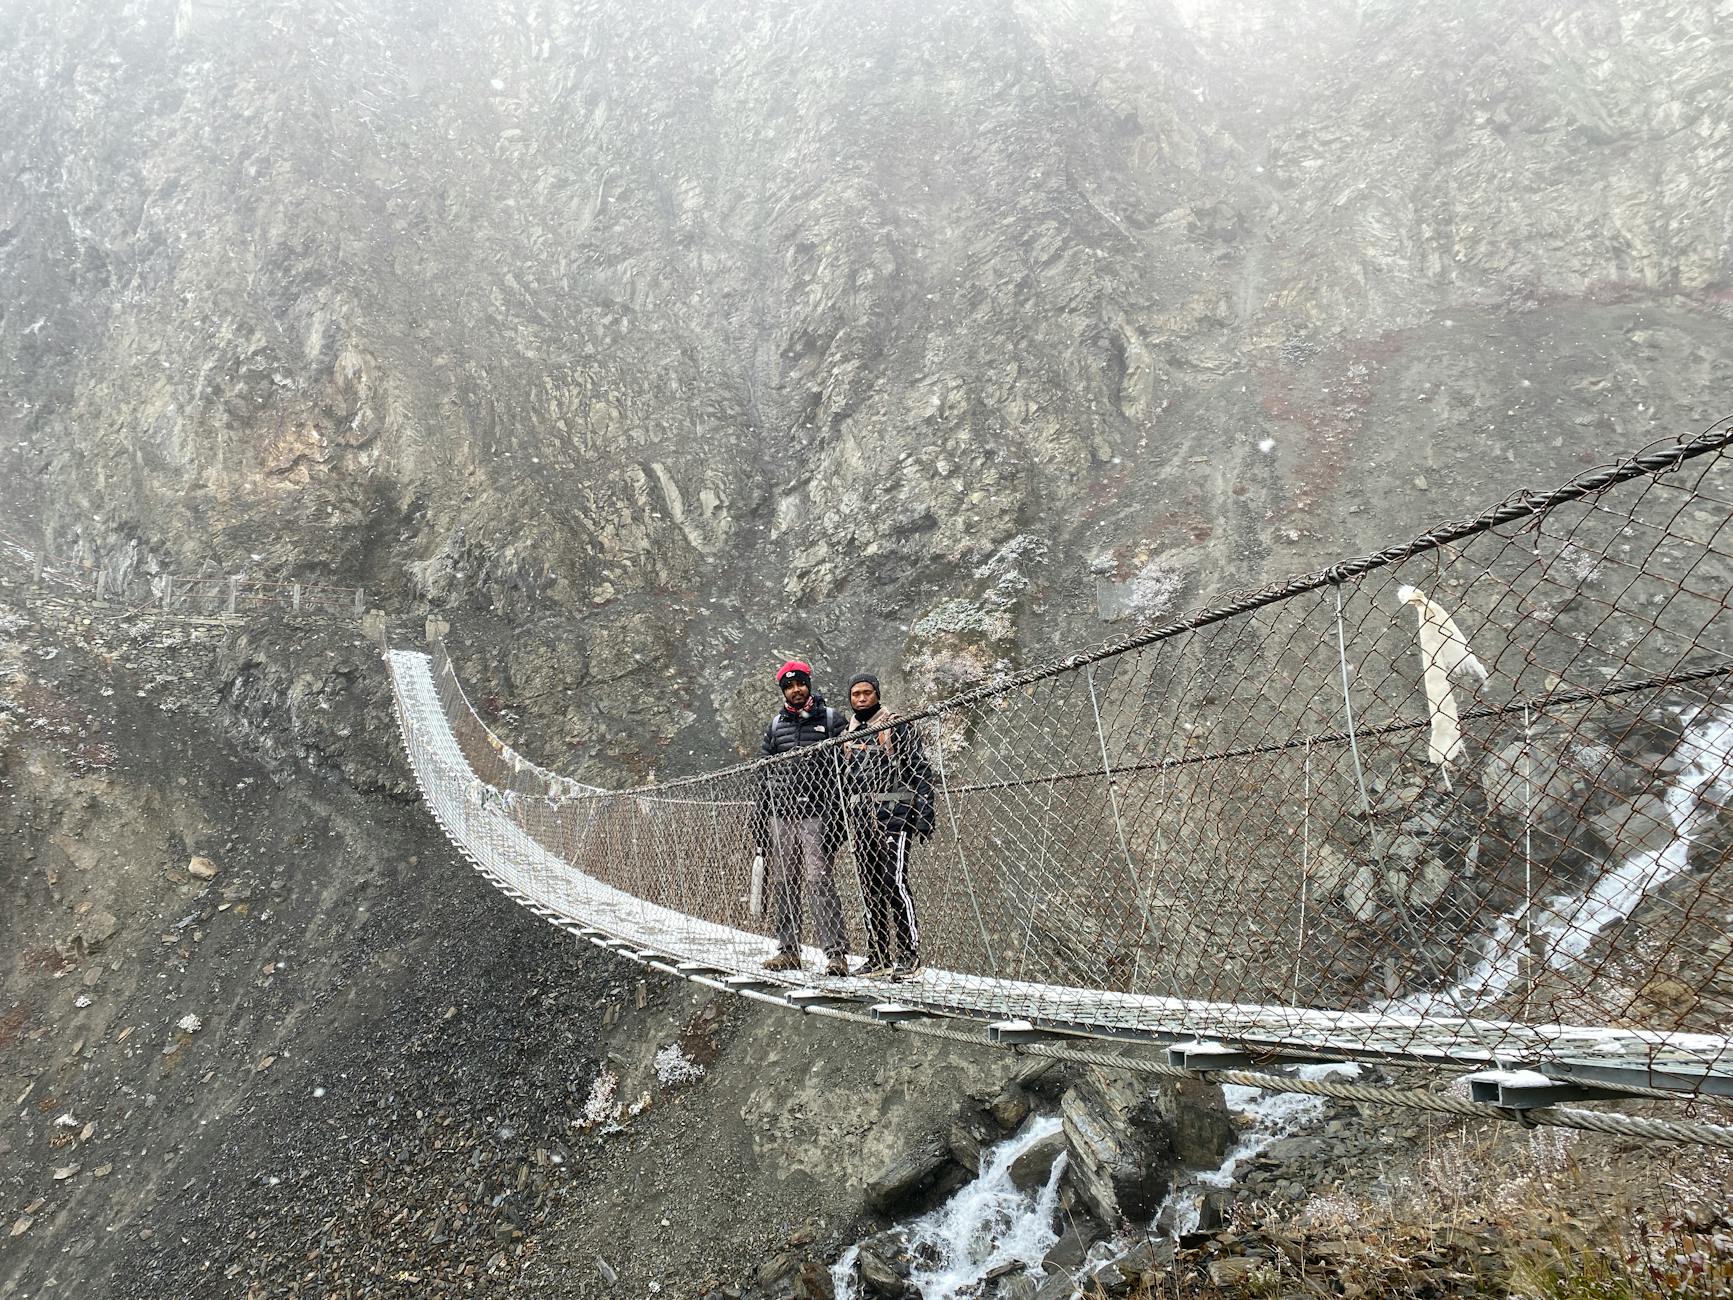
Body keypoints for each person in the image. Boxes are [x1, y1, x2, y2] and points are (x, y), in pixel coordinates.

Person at [753, 660, 852, 977]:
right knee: (784, 882)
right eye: (790, 686)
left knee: (818, 881)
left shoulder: (832, 719)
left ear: (809, 684)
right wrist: (759, 816)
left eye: (800, 684)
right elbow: (763, 773)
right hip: (780, 816)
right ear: (783, 690)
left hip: (816, 815)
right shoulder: (775, 726)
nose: (796, 690)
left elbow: (845, 770)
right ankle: (788, 951)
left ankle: (836, 955)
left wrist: (838, 817)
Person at [839, 672, 934, 981]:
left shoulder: (896, 726)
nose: (862, 698)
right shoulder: (848, 734)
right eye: (856, 694)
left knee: (893, 883)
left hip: (895, 813)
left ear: (877, 695)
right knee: (870, 887)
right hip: (863, 816)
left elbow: (920, 769)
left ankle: (909, 955)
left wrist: (925, 812)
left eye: (867, 692)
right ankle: (879, 955)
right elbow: (841, 782)